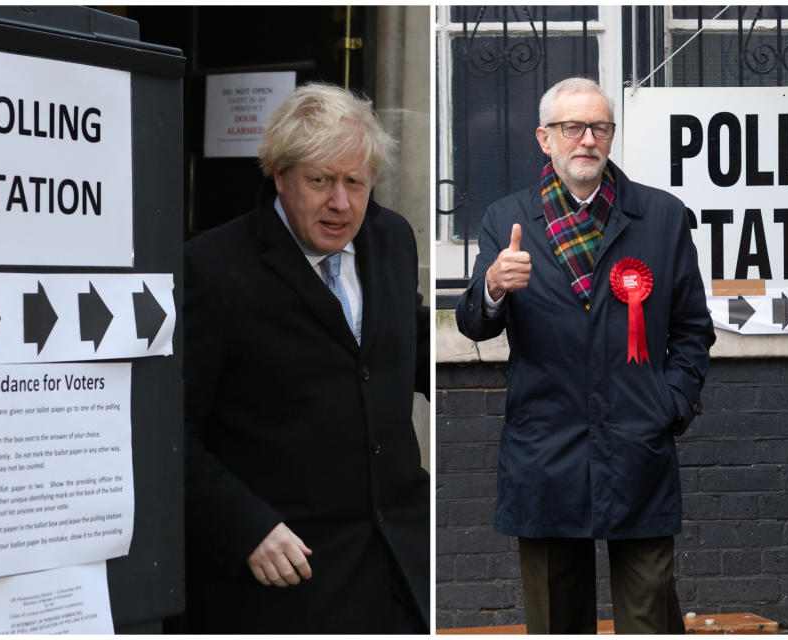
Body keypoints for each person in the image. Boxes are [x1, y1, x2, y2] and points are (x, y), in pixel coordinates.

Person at [455, 77, 715, 634]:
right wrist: (494, 285)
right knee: (556, 617)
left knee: (649, 613)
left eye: (600, 127)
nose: (587, 140)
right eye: (572, 127)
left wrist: (671, 404)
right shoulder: (507, 221)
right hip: (546, 449)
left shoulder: (662, 217)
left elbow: (693, 328)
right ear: (544, 138)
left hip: (636, 443)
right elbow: (474, 323)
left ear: (611, 137)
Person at [179, 83, 429, 634]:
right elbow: (168, 433)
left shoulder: (392, 239)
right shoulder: (211, 268)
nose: (341, 203)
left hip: (400, 568)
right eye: (320, 181)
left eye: (355, 183)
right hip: (287, 579)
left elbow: (404, 348)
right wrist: (244, 527)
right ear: (280, 177)